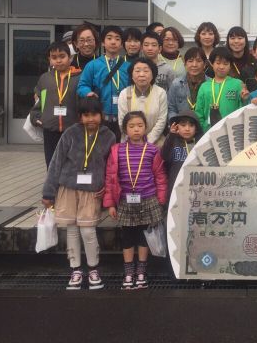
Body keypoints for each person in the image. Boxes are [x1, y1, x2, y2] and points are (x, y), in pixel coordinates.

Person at [41, 97, 116, 290]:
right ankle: (75, 269)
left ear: (101, 115)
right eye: (86, 115)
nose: (90, 119)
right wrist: (48, 192)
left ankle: (93, 269)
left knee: (88, 230)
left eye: (95, 114)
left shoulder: (109, 136)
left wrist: (108, 188)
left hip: (92, 191)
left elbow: (111, 167)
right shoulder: (71, 133)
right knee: (72, 229)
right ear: (80, 117)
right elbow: (56, 162)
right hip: (68, 188)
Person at [103, 111, 168, 290]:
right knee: (127, 237)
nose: (136, 129)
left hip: (148, 199)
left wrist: (161, 199)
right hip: (125, 201)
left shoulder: (153, 150)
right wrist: (110, 203)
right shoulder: (117, 150)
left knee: (143, 236)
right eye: (131, 126)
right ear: (125, 129)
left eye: (140, 125)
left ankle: (141, 271)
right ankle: (128, 271)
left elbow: (160, 177)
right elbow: (110, 178)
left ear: (146, 128)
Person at [31, 42, 82, 168]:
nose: (58, 60)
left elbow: (83, 102)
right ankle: (52, 181)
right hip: (50, 129)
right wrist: (36, 117)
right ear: (49, 59)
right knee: (52, 164)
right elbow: (39, 101)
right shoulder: (45, 79)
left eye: (62, 56)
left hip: (73, 128)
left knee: (72, 164)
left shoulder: (80, 78)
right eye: (54, 57)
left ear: (70, 58)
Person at [77, 26, 130, 141]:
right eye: (109, 38)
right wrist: (88, 92)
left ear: (122, 44)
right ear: (102, 43)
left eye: (117, 39)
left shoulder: (128, 67)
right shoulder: (93, 65)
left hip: (123, 116)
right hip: (99, 116)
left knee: (119, 149)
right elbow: (82, 86)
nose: (113, 42)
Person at [117, 58, 168, 147]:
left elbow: (162, 120)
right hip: (129, 142)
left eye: (146, 71)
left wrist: (148, 141)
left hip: (155, 143)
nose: (141, 74)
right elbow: (122, 121)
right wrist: (135, 141)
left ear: (153, 75)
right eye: (137, 71)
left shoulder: (160, 93)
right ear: (131, 75)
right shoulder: (124, 93)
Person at [195, 47, 244, 132]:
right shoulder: (204, 86)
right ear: (212, 63)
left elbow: (243, 107)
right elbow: (199, 112)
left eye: (225, 64)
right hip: (208, 131)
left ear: (230, 65)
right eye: (218, 63)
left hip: (232, 131)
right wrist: (204, 128)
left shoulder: (238, 84)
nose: (221, 67)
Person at [161, 110, 203, 194]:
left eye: (191, 125)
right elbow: (164, 155)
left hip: (196, 187)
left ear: (196, 129)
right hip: (175, 187)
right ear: (177, 127)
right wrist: (171, 135)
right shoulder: (172, 141)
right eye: (183, 125)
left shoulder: (200, 143)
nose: (187, 129)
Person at [167, 47, 208, 120]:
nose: (194, 65)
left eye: (198, 61)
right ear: (185, 64)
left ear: (204, 64)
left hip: (204, 125)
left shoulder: (211, 84)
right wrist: (175, 123)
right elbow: (171, 108)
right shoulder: (176, 84)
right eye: (190, 61)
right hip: (182, 125)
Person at [225, 26, 254, 93]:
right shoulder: (224, 61)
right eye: (232, 38)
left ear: (245, 40)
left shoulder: (253, 60)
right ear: (228, 41)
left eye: (240, 38)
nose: (236, 41)